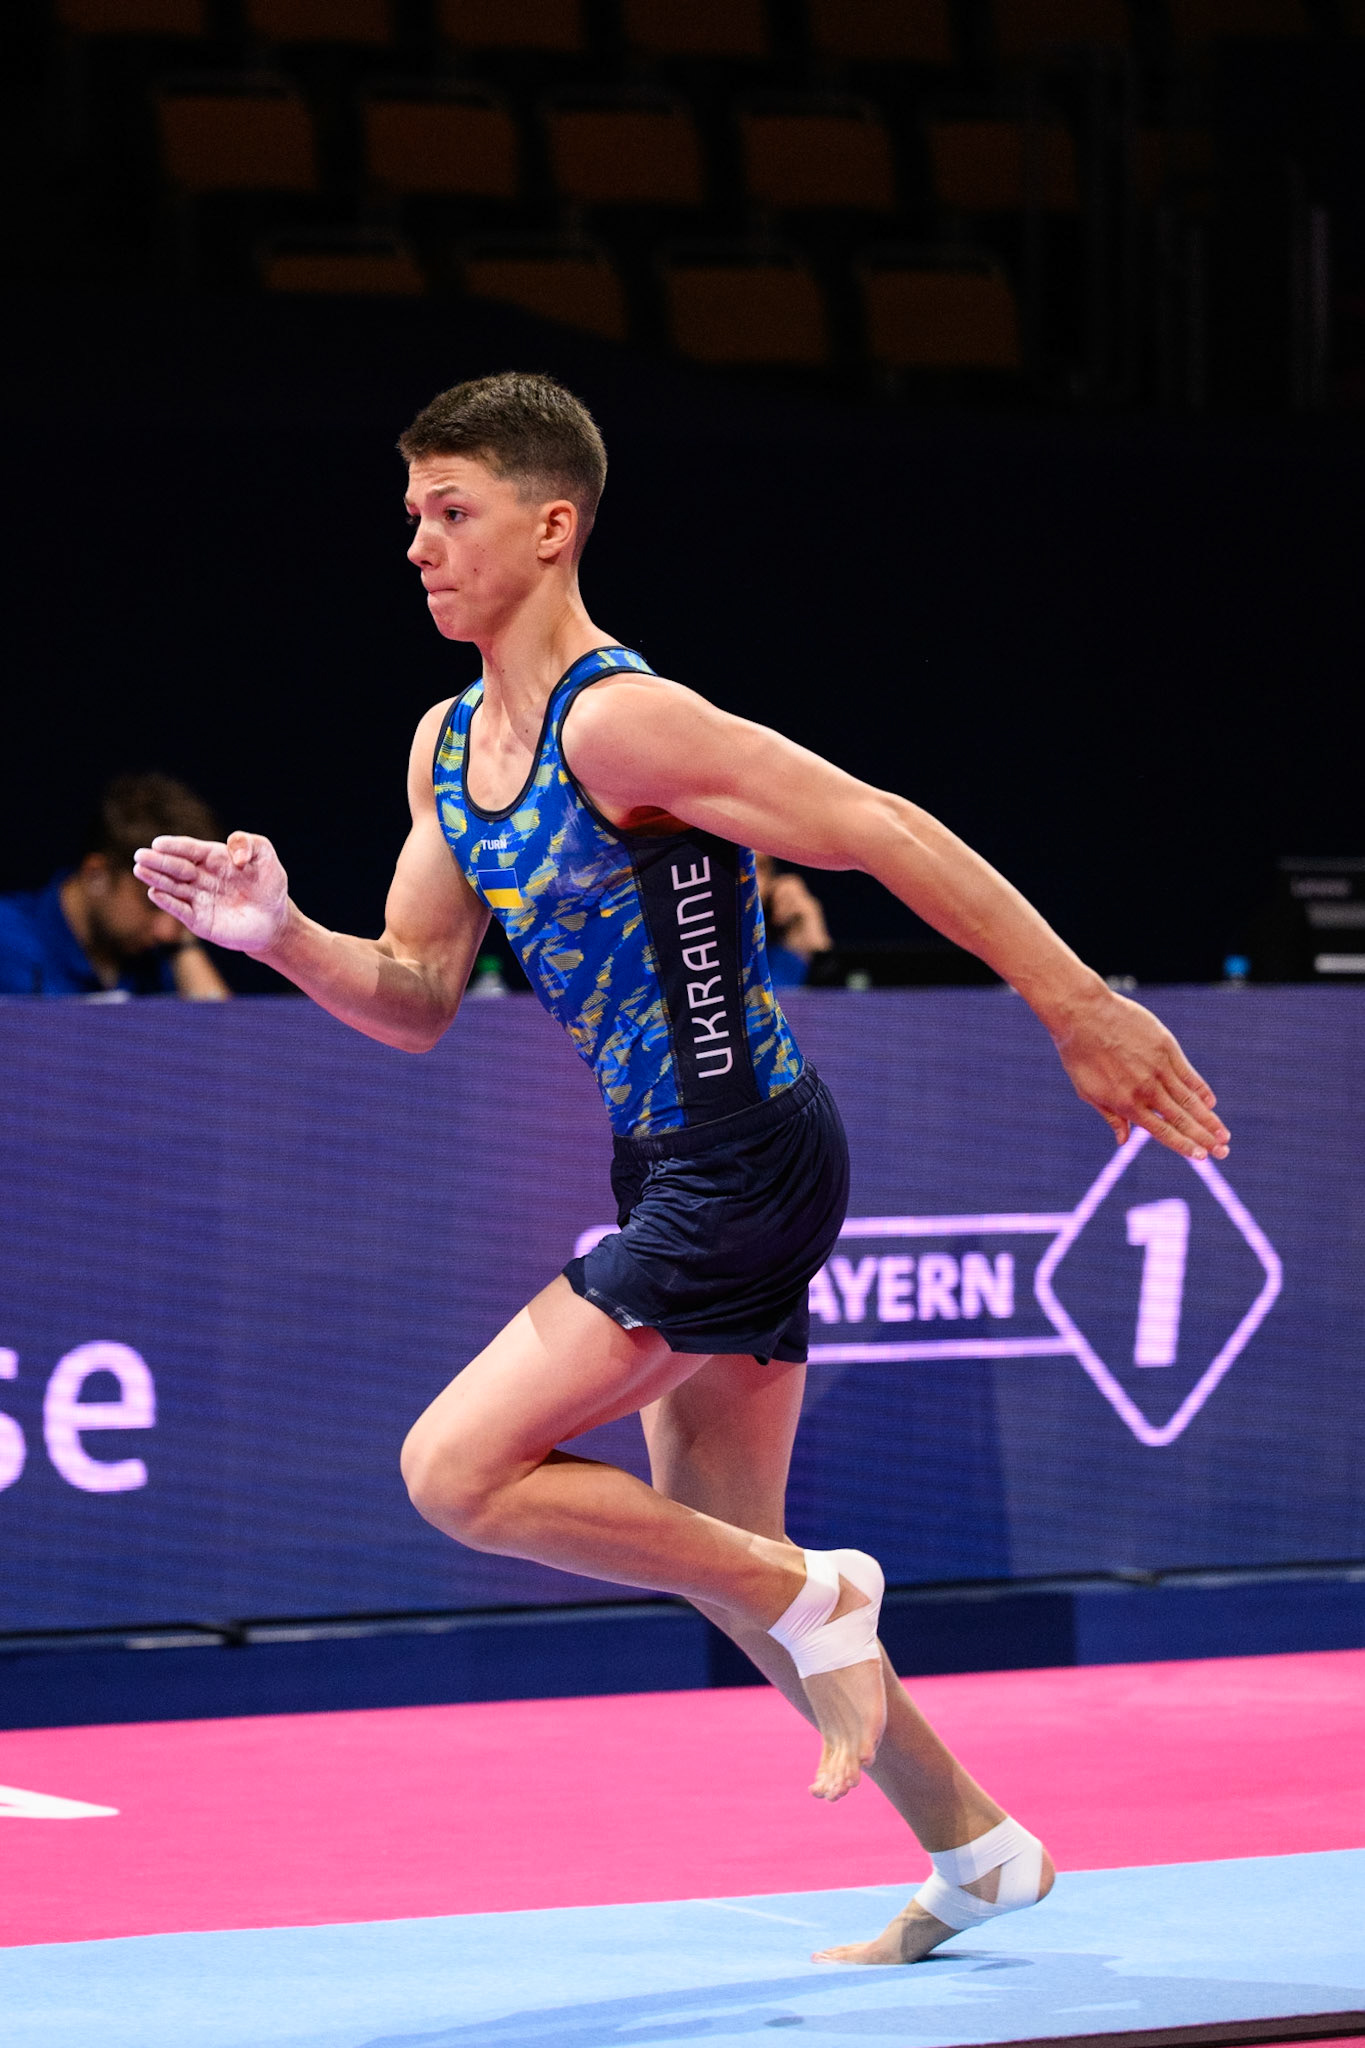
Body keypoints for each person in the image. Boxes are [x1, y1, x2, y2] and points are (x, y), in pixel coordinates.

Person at [134, 372, 1230, 1964]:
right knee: (730, 1560)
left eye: (452, 514)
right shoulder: (449, 747)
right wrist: (279, 937)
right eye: (412, 518)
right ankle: (976, 1847)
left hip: (747, 1155)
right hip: (669, 1165)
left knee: (459, 1472)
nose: (420, 548)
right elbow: (418, 999)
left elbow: (879, 825)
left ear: (550, 523)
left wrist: (1075, 1001)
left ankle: (825, 1594)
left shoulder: (623, 720)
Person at [0, 773, 231, 1000]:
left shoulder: (165, 954)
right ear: (96, 876)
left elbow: (227, 1037)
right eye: (153, 902)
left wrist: (184, 945)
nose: (167, 931)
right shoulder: (7, 941)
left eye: (178, 904)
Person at [755, 852, 832, 987]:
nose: (752, 878)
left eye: (760, 867)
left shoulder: (784, 951)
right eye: (743, 866)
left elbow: (835, 997)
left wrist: (809, 922)